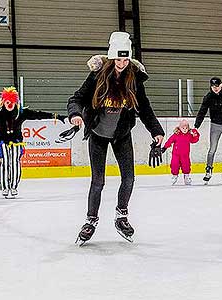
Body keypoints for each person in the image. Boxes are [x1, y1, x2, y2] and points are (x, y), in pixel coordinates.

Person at [67, 31, 165, 245]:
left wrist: (157, 131)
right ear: (111, 57)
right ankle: (90, 221)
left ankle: (121, 216)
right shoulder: (98, 75)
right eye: (118, 59)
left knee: (129, 178)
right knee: (98, 182)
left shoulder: (134, 78)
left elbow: (145, 108)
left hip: (121, 135)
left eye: (125, 59)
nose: (121, 63)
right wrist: (75, 115)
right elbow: (77, 98)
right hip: (98, 135)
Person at [162, 119, 200, 185]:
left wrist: (196, 134)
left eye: (186, 128)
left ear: (188, 128)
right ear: (179, 128)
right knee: (174, 165)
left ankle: (186, 177)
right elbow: (170, 141)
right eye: (183, 128)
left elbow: (194, 140)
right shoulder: (176, 135)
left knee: (186, 166)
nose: (185, 129)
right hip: (176, 155)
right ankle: (174, 176)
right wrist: (165, 147)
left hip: (185, 155)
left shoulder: (189, 135)